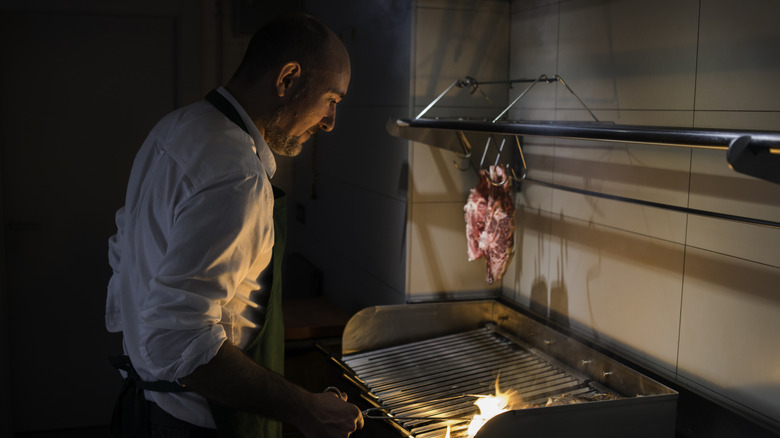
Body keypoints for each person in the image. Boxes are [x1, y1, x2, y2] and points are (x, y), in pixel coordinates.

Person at [105, 13, 362, 438]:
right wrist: (306, 409)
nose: (331, 122)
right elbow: (179, 339)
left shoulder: (175, 127)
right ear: (288, 79)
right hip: (200, 421)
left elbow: (124, 250)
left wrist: (141, 345)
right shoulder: (235, 174)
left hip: (150, 404)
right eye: (331, 100)